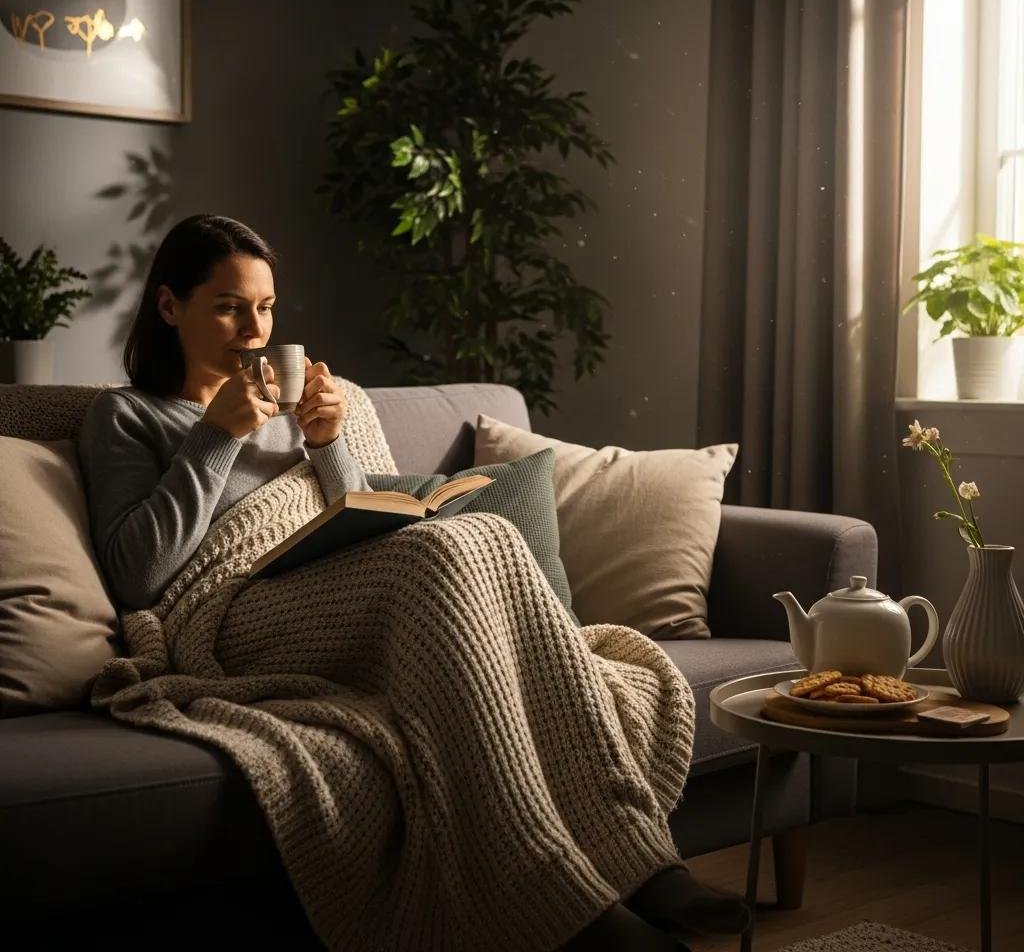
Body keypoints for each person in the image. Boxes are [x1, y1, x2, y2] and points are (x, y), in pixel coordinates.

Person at [78, 214, 750, 950]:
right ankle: (557, 902)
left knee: (483, 530)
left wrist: (328, 443)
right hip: (222, 616)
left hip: (321, 588)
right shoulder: (126, 414)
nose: (254, 329)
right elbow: (137, 574)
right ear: (170, 306)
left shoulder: (289, 404)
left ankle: (634, 856)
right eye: (229, 306)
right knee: (432, 554)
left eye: (266, 307)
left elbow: (351, 513)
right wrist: (215, 436)